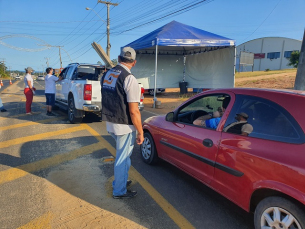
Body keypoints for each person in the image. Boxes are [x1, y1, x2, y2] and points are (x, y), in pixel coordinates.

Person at [101, 47, 144, 199]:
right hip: (124, 126)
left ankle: (121, 181)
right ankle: (119, 190)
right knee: (122, 158)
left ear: (119, 59)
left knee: (123, 156)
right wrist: (140, 131)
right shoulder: (130, 79)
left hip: (110, 122)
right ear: (134, 62)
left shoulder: (107, 74)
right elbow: (134, 111)